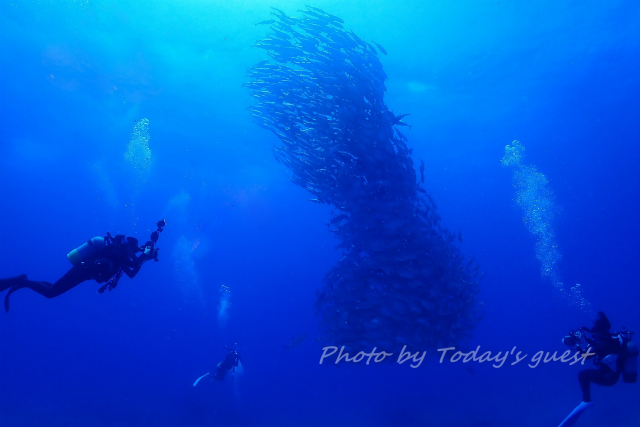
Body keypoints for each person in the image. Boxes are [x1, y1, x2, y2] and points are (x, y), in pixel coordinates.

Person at [0, 220, 165, 312]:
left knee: (52, 288)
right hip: (82, 271)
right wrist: (145, 257)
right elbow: (133, 268)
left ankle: (23, 281)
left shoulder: (120, 255)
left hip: (83, 272)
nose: (133, 254)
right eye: (133, 251)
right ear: (127, 247)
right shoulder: (120, 253)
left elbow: (132, 270)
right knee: (51, 293)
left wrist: (144, 257)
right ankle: (22, 280)